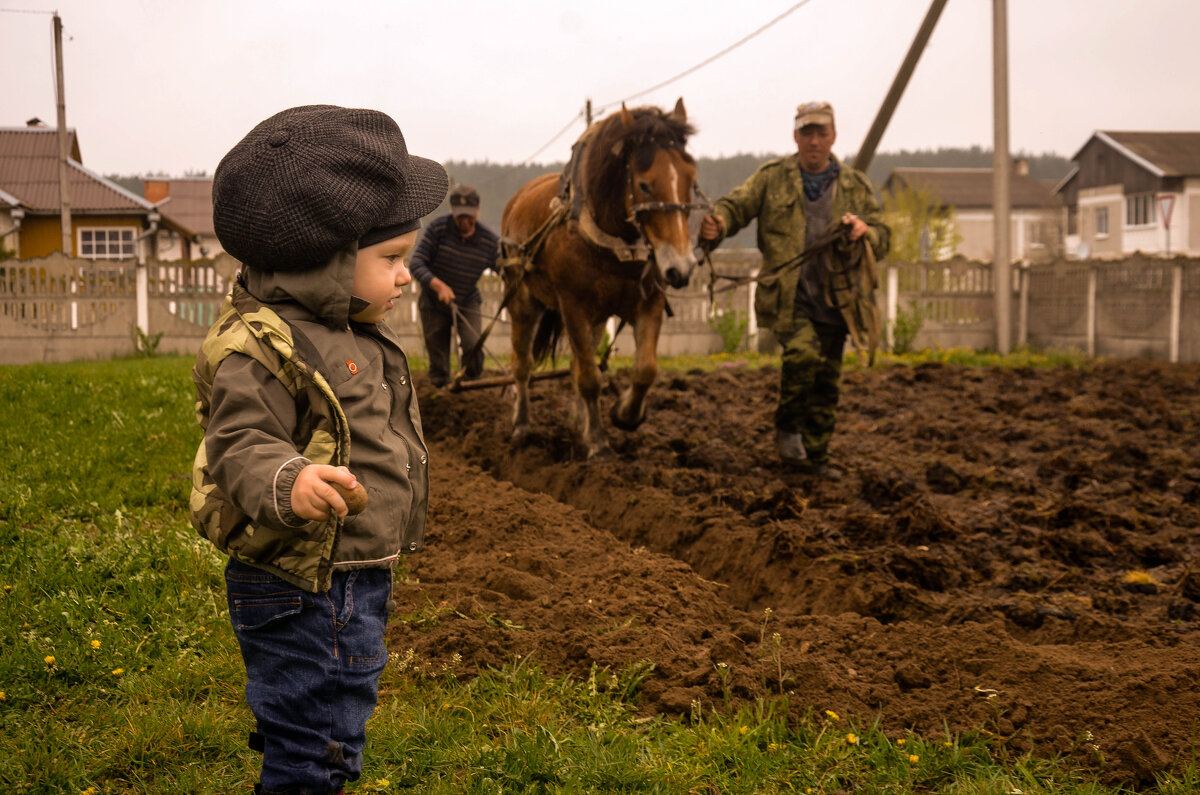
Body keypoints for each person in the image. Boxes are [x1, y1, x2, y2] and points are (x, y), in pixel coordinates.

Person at [190, 105, 448, 795]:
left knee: (334, 729)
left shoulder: (348, 327)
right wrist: (291, 478)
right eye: (391, 259)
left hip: (350, 574)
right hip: (300, 585)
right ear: (326, 259)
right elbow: (238, 439)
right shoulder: (267, 343)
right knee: (315, 743)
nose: (405, 277)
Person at [699, 101, 890, 478]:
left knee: (826, 380)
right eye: (807, 133)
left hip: (838, 300)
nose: (814, 140)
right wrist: (718, 224)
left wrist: (865, 232)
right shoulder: (772, 178)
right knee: (803, 355)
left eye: (821, 133)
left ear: (833, 137)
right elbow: (737, 206)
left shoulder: (855, 186)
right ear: (795, 136)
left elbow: (884, 235)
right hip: (789, 297)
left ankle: (816, 459)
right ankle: (788, 427)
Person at [408, 183, 500, 387]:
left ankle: (472, 384)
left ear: (478, 210)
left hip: (467, 300)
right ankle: (440, 391)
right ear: (453, 211)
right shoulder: (438, 229)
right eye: (460, 215)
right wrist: (438, 285)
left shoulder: (489, 241)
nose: (465, 221)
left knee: (473, 344)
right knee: (437, 351)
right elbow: (416, 262)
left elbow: (503, 268)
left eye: (470, 215)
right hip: (433, 301)